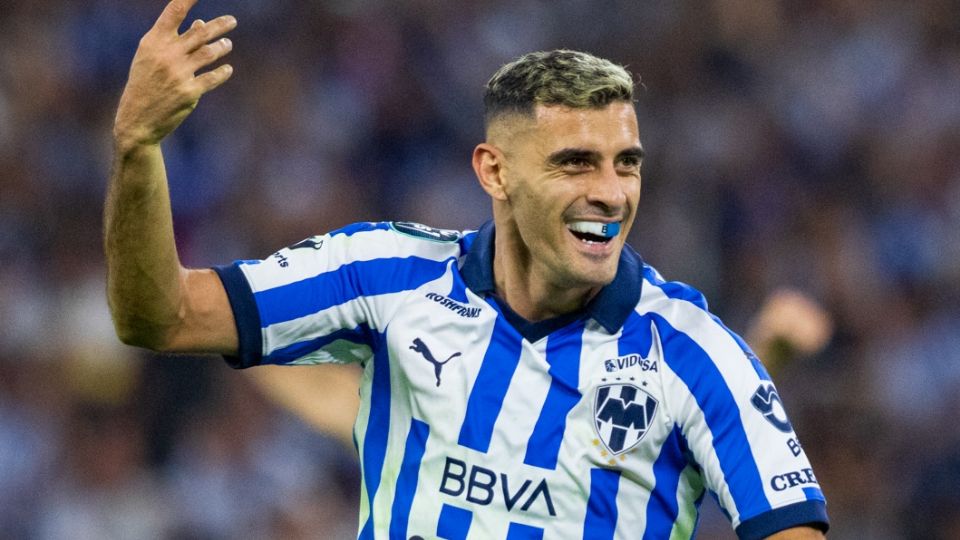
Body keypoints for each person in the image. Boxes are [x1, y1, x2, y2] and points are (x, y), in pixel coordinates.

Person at [105, 1, 829, 538]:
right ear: (495, 171)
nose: (610, 191)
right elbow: (158, 316)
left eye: (626, 164)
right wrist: (139, 151)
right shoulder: (387, 274)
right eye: (575, 162)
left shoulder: (699, 356)